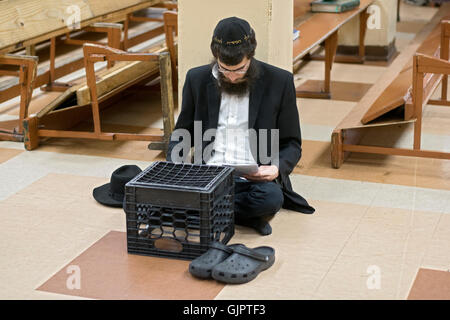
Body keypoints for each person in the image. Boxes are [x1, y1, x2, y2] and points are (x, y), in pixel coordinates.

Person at [166, 17, 315, 236]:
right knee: (159, 193)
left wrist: (275, 168)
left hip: (252, 181)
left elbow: (292, 142)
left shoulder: (279, 81)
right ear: (216, 57)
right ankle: (240, 216)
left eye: (240, 69)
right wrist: (175, 167)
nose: (233, 77)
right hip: (208, 176)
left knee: (271, 199)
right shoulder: (196, 78)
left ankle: (203, 212)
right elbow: (182, 133)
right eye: (225, 70)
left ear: (251, 56)